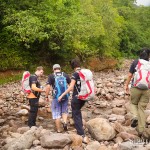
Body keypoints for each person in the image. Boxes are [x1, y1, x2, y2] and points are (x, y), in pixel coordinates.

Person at [58, 59, 89, 144]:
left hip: (77, 97)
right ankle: (78, 127)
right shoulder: (84, 72)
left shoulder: (75, 74)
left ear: (73, 66)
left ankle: (81, 134)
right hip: (84, 97)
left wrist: (62, 95)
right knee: (77, 112)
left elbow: (71, 87)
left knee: (76, 114)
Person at [124, 48, 150, 136]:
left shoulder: (136, 62)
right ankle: (141, 130)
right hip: (146, 89)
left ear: (140, 54)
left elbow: (130, 75)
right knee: (142, 108)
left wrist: (126, 85)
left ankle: (135, 116)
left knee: (133, 104)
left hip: (135, 87)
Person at [45, 64, 71, 133]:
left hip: (56, 97)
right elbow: (71, 85)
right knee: (64, 111)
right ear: (60, 68)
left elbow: (48, 87)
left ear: (53, 69)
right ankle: (65, 122)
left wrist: (46, 96)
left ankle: (59, 130)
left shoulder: (51, 76)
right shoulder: (65, 75)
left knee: (57, 114)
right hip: (65, 96)